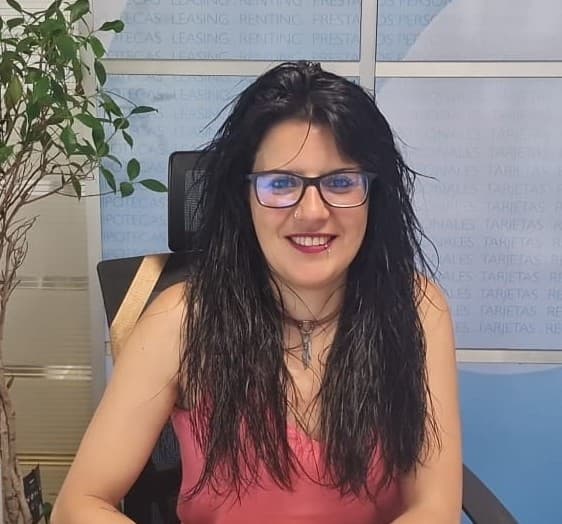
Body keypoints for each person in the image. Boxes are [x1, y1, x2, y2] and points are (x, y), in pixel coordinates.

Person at [52, 61, 462, 523]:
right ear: (243, 196)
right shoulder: (180, 321)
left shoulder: (417, 311)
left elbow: (435, 507)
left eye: (341, 181)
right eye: (281, 183)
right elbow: (78, 505)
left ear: (375, 194)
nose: (312, 212)